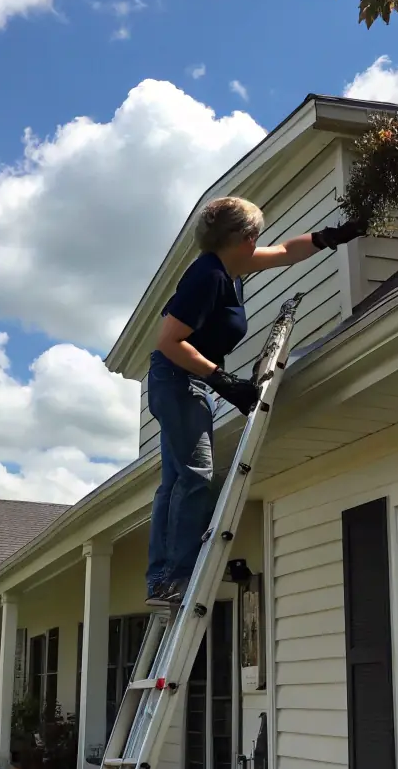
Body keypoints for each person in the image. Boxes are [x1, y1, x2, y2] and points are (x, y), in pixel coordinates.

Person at [145, 196, 364, 607]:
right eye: (255, 233)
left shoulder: (231, 266)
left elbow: (285, 253)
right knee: (194, 475)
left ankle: (163, 577)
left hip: (188, 381)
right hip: (176, 379)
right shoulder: (207, 277)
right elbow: (168, 342)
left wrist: (331, 236)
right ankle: (172, 578)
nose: (260, 239)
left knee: (177, 480)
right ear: (244, 238)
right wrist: (222, 380)